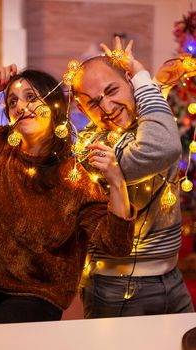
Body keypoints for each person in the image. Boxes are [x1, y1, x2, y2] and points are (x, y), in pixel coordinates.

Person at [0, 64, 136, 324]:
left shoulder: (75, 177)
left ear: (53, 104)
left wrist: (117, 182)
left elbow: (117, 245)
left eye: (31, 98)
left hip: (35, 295)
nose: (21, 107)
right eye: (12, 102)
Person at [72, 36, 195, 317]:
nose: (107, 107)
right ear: (82, 110)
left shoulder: (145, 122)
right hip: (118, 289)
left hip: (172, 277)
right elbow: (161, 146)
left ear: (128, 83)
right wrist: (142, 76)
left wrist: (156, 81)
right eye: (93, 103)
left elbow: (147, 124)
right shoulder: (95, 147)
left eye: (112, 89)